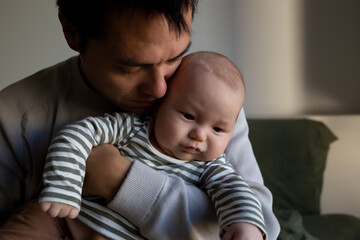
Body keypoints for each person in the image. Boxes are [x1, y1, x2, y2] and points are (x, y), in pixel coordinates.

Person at [0, 1, 280, 239]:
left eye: (174, 57)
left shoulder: (208, 103)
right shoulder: (14, 116)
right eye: (130, 68)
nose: (159, 89)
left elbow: (263, 226)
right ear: (72, 33)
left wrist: (117, 178)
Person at [39, 51, 267, 240]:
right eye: (188, 116)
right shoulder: (133, 127)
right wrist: (65, 185)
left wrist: (246, 224)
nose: (199, 135)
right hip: (65, 219)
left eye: (217, 129)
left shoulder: (212, 167)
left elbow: (235, 190)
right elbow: (79, 133)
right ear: (159, 106)